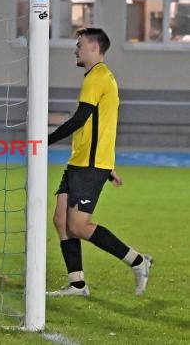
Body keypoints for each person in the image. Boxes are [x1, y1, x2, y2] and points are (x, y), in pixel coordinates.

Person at [47, 27, 152, 296]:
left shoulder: (97, 78)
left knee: (78, 225)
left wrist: (43, 139)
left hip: (89, 165)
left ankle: (138, 261)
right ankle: (78, 284)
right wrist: (108, 167)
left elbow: (80, 119)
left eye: (79, 45)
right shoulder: (100, 77)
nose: (75, 49)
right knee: (61, 219)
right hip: (82, 162)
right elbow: (100, 125)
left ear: (94, 48)